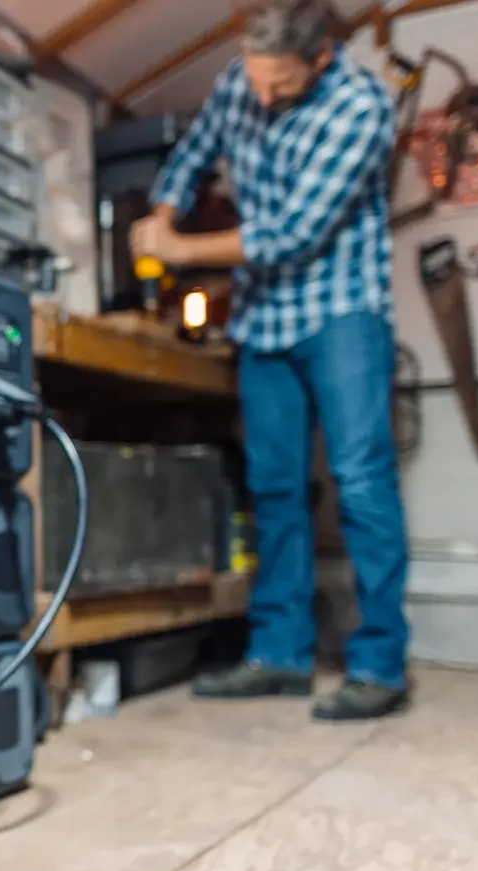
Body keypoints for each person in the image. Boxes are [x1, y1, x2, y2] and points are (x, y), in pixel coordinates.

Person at [130, 0, 409, 721]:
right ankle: (279, 654)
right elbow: (194, 153)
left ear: (321, 60)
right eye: (256, 79)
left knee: (361, 480)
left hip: (343, 308)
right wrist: (163, 209)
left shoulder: (361, 108)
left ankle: (379, 663)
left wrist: (181, 251)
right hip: (264, 321)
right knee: (274, 487)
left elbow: (290, 234)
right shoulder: (240, 79)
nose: (262, 96)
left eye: (280, 84)